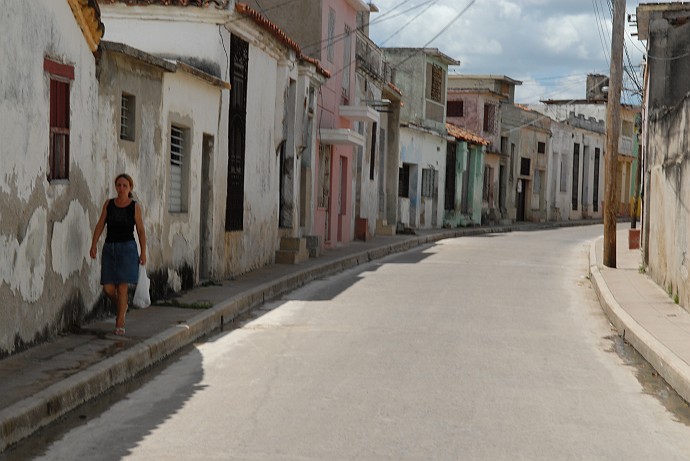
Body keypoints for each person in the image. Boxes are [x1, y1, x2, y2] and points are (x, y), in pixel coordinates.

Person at [90, 174, 147, 335]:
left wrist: (143, 252)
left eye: (125, 186)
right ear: (116, 187)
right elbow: (101, 224)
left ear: (130, 188)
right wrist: (94, 244)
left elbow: (141, 231)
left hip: (127, 250)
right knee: (108, 288)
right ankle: (122, 306)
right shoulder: (109, 204)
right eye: (119, 185)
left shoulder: (134, 207)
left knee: (122, 288)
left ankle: (120, 321)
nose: (121, 188)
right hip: (110, 249)